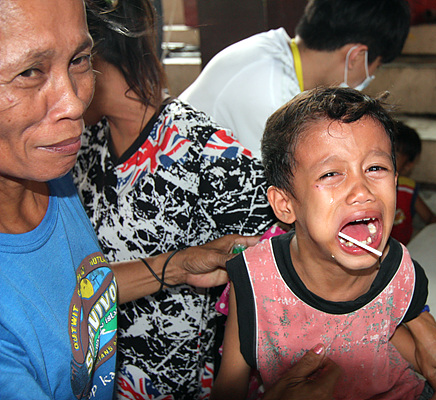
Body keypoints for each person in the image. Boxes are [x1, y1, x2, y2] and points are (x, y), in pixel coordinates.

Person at [0, 0, 253, 398]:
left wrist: (178, 265)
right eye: (30, 72)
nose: (73, 103)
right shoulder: (70, 156)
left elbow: (77, 293)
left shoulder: (50, 171)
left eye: (80, 60)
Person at [72, 1, 276, 398]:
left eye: (68, 64)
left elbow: (274, 244)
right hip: (97, 376)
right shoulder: (84, 148)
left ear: (92, 58)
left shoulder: (198, 146)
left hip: (173, 384)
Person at [211, 87, 436, 400]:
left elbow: (396, 341)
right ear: (285, 204)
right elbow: (228, 389)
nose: (362, 190)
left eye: (376, 168)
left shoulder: (397, 266)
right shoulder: (254, 282)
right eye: (331, 173)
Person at [179, 0, 411, 156]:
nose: (371, 76)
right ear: (357, 56)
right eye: (376, 66)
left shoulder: (271, 49)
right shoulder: (269, 92)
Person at [392, 122, 436, 244]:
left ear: (408, 166)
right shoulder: (367, 188)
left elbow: (429, 218)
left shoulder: (407, 189)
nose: (386, 157)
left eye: (395, 154)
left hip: (399, 255)